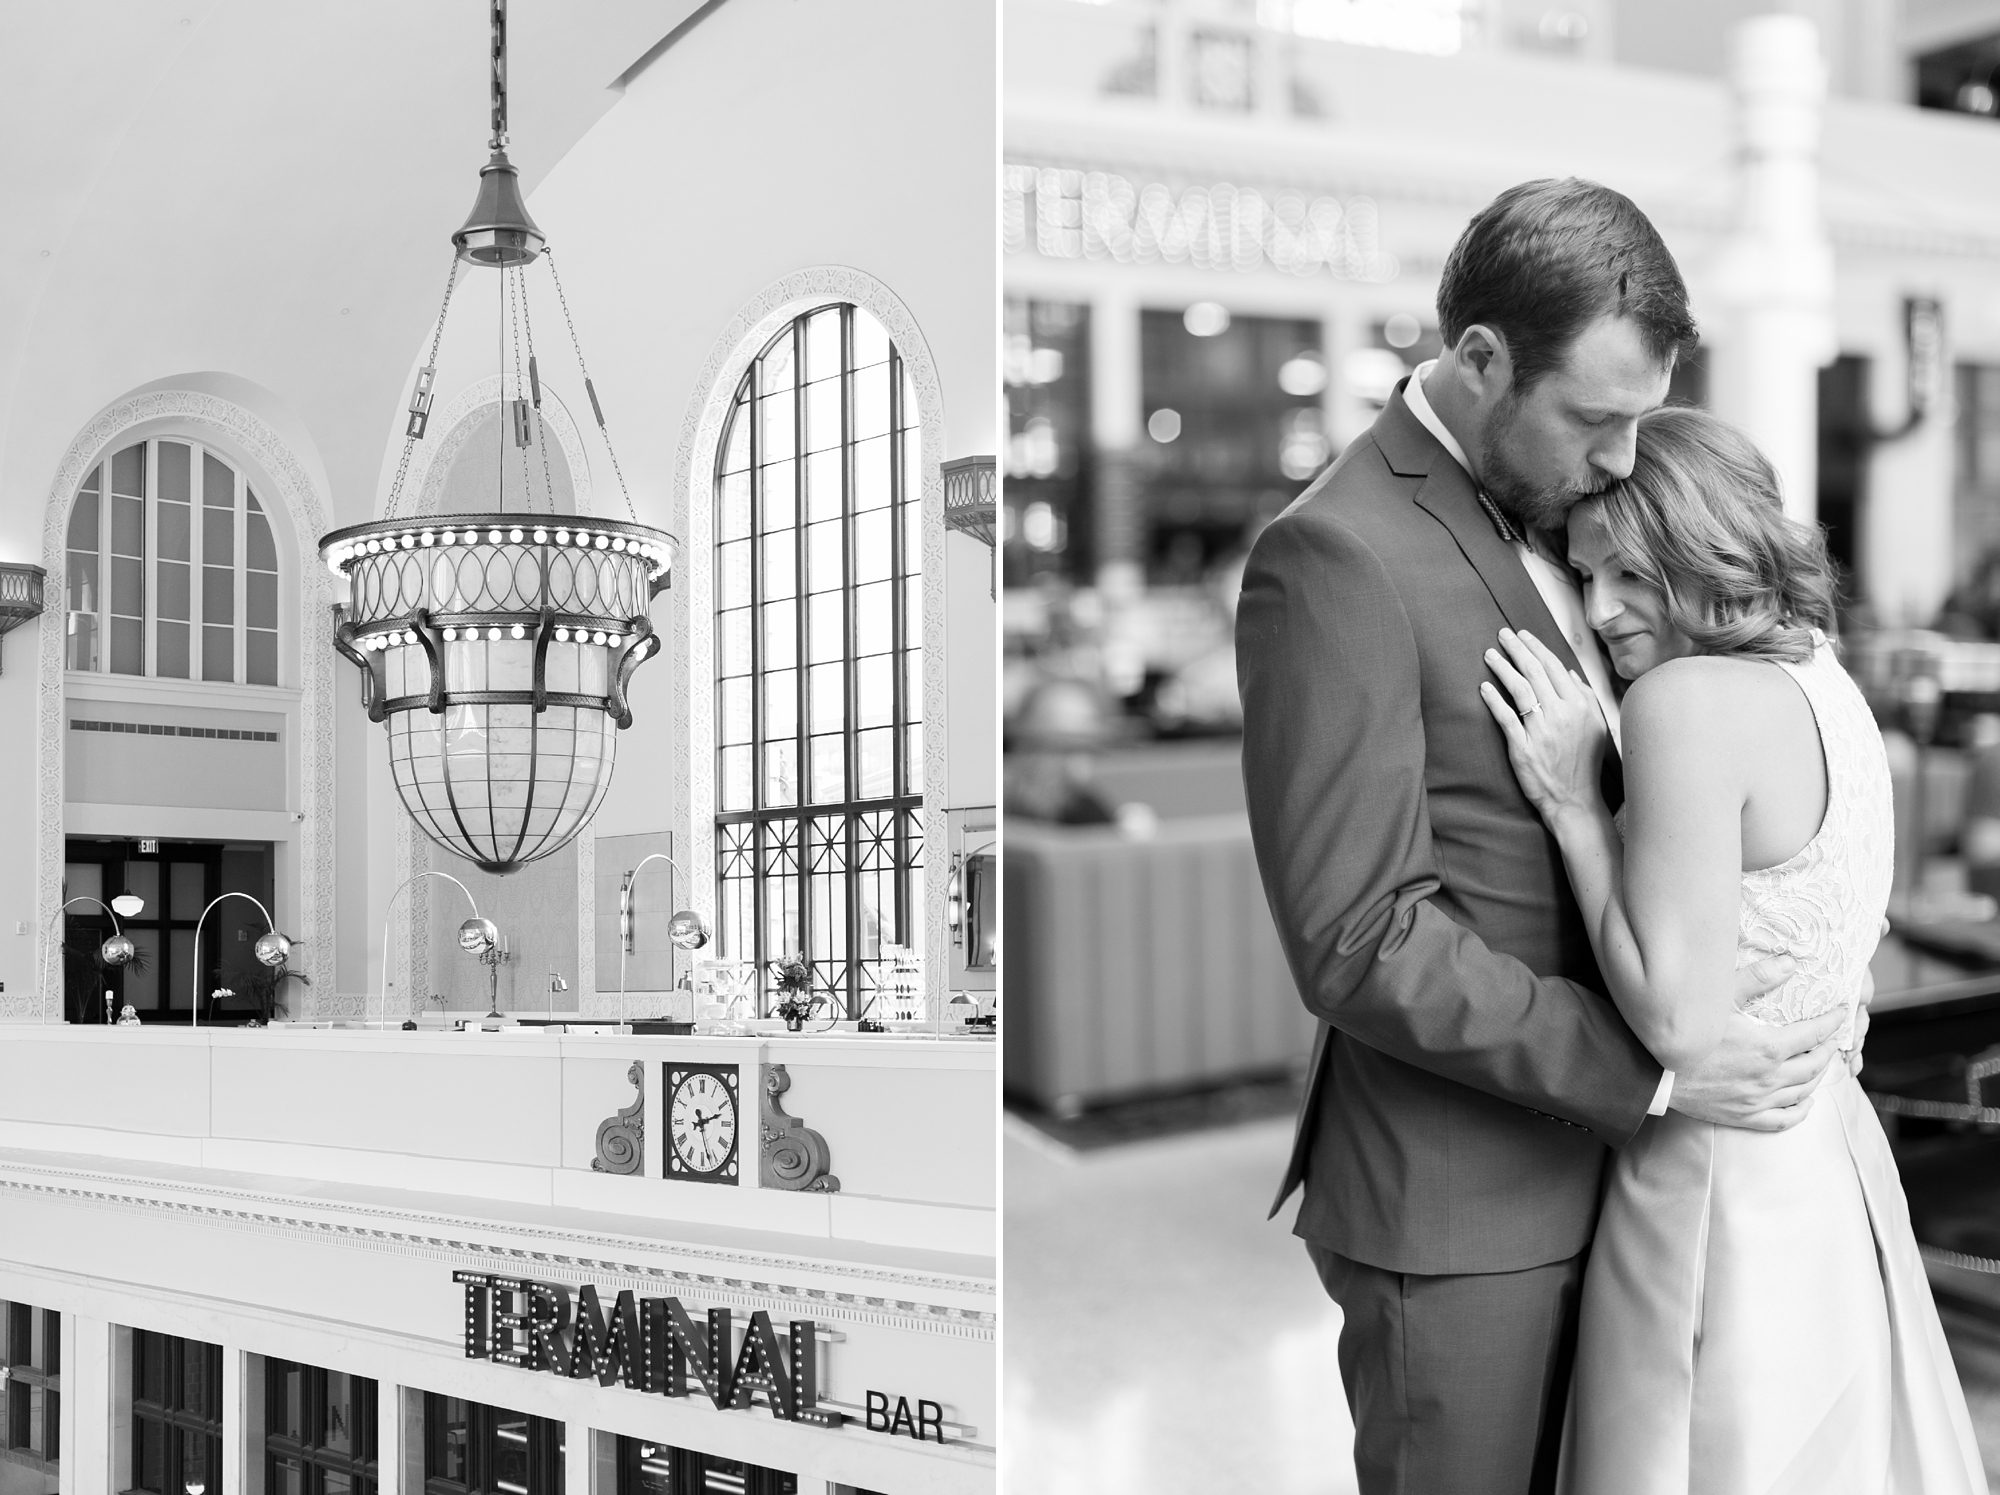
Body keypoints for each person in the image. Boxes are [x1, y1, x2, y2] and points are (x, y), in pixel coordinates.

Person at [1235, 178, 1851, 1495]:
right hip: (1464, 1210)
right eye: (1598, 418)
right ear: (1477, 359)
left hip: (1626, 1190)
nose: (1626, 460)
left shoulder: (1572, 516)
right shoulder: (1336, 555)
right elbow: (1361, 938)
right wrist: (1660, 1075)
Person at [1481, 406, 1984, 1492]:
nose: (1600, 609)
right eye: (1582, 575)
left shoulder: (1683, 700)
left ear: (1699, 549)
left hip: (1717, 1182)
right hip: (1828, 1157)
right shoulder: (1823, 683)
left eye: (1628, 572)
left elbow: (1675, 1021)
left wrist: (1574, 809)